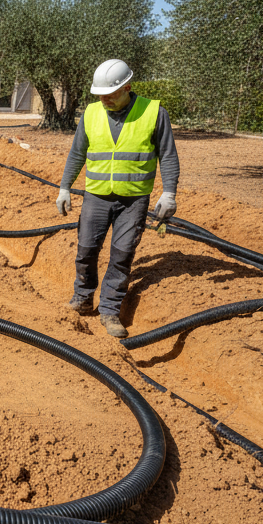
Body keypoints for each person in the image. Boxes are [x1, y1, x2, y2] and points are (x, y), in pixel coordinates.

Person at [56, 59, 180, 339]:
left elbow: (168, 156)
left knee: (122, 255)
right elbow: (77, 153)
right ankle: (83, 298)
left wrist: (169, 193)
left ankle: (110, 310)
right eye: (100, 95)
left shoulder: (153, 112)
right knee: (86, 249)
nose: (104, 100)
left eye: (110, 95)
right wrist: (65, 187)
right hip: (96, 196)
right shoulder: (91, 113)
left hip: (133, 200)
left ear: (128, 87)